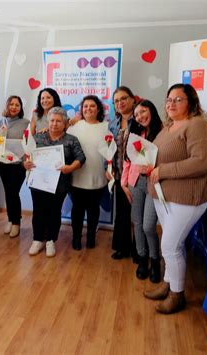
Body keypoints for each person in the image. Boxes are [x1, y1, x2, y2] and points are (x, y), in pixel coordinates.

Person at [144, 83, 207, 314]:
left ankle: (177, 295)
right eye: (169, 99)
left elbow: (201, 162)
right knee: (173, 245)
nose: (171, 104)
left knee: (170, 246)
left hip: (187, 199)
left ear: (191, 103)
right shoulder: (168, 127)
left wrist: (162, 170)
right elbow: (158, 155)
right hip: (164, 197)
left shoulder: (198, 125)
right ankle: (169, 283)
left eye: (178, 99)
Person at [24, 107, 85, 257]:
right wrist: (25, 164)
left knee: (54, 212)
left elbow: (81, 158)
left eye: (59, 121)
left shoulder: (71, 140)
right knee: (38, 211)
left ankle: (51, 240)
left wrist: (70, 167)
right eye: (52, 120)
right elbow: (25, 156)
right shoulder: (38, 137)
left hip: (60, 185)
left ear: (65, 123)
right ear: (48, 122)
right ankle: (37, 239)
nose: (54, 124)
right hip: (38, 183)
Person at [121, 100, 162, 282]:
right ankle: (142, 259)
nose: (140, 117)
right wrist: (123, 183)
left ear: (151, 110)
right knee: (137, 223)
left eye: (143, 112)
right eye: (136, 115)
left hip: (154, 184)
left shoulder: (163, 132)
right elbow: (127, 160)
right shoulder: (136, 133)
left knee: (148, 226)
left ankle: (155, 260)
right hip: (135, 183)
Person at [67, 95, 109, 250]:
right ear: (81, 109)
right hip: (77, 175)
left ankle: (91, 237)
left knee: (93, 210)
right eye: (85, 106)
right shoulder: (74, 127)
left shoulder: (106, 127)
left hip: (97, 176)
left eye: (92, 106)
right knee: (77, 209)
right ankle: (76, 238)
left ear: (98, 109)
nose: (88, 109)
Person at [107, 86, 137, 260]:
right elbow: (108, 148)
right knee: (122, 212)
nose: (120, 103)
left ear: (132, 99)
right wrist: (108, 167)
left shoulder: (140, 119)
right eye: (116, 101)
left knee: (138, 215)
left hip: (137, 176)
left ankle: (139, 249)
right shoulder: (113, 123)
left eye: (124, 98)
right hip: (118, 175)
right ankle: (122, 247)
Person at [0, 95, 30, 238]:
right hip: (3, 164)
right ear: (7, 106)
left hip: (18, 165)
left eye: (17, 105)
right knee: (8, 193)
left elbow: (29, 144)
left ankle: (16, 223)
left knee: (13, 193)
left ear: (20, 108)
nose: (14, 107)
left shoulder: (26, 123)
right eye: (12, 104)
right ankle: (10, 219)